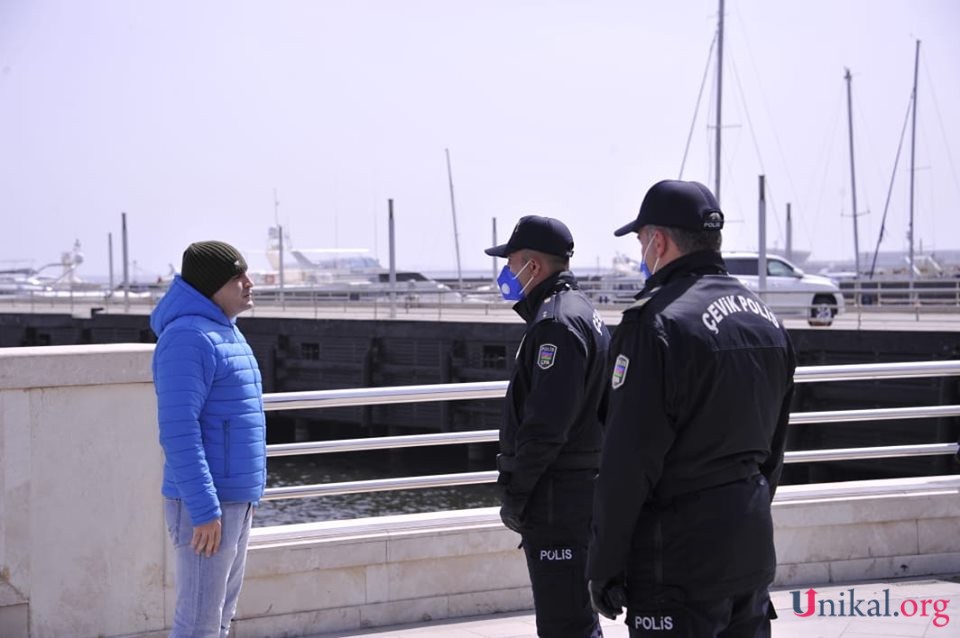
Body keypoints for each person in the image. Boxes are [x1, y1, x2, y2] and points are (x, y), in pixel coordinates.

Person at [587, 180, 796, 637]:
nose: (642, 252)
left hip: (677, 564)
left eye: (642, 241)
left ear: (658, 241)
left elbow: (627, 462)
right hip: (750, 549)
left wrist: (604, 564)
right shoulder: (767, 319)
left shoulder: (654, 324)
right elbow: (773, 453)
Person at [484, 215, 611, 638]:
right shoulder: (582, 312)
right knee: (576, 618)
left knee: (564, 625)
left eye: (511, 262)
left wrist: (517, 497)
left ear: (532, 266)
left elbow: (546, 425)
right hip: (579, 490)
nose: (505, 272)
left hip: (559, 499)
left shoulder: (556, 323)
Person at [150, 240, 266, 638]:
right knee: (198, 622)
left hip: (236, 499)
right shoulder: (188, 338)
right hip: (208, 505)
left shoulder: (224, 331)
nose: (249, 283)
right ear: (210, 286)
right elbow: (179, 431)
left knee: (218, 619)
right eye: (237, 276)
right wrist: (203, 509)